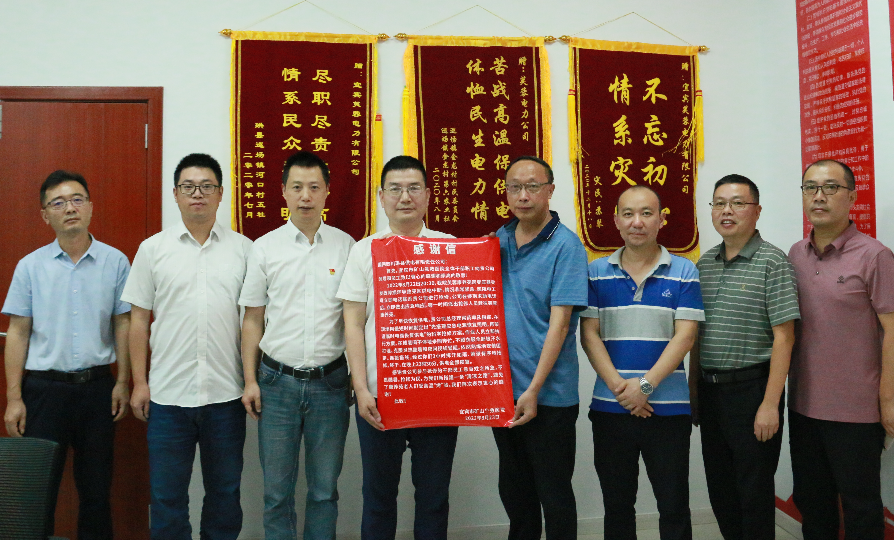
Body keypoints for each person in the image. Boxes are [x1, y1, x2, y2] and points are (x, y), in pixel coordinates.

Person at [123, 153, 252, 540]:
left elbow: (254, 320)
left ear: (221, 193)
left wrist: (250, 381)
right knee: (167, 499)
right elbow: (138, 321)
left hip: (226, 397)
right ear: (176, 194)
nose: (198, 194)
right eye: (189, 187)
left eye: (207, 186)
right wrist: (140, 383)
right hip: (167, 398)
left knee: (225, 496)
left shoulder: (244, 250)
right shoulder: (152, 249)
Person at [2, 170, 131, 540]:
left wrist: (123, 381)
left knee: (96, 492)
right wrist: (14, 398)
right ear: (45, 215)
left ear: (90, 206)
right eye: (58, 203)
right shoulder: (30, 266)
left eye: (77, 199)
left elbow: (123, 324)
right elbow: (18, 332)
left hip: (97, 390)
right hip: (44, 392)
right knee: (37, 491)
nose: (69, 208)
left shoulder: (116, 262)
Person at [336, 155, 458, 540]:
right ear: (381, 197)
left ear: (428, 196)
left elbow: (468, 321)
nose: (405, 197)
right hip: (380, 396)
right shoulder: (364, 250)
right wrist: (361, 388)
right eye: (395, 189)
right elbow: (353, 323)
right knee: (378, 496)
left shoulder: (451, 248)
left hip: (438, 394)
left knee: (434, 495)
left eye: (413, 188)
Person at [239, 151, 354, 540]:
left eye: (314, 187)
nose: (306, 196)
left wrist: (357, 377)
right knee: (276, 494)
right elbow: (252, 318)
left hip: (331, 384)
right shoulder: (264, 247)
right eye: (297, 187)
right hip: (276, 384)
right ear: (283, 192)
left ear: (327, 192)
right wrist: (250, 380)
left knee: (324, 492)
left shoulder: (345, 246)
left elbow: (355, 320)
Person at [580, 185, 703, 540]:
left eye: (647, 213)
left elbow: (685, 337)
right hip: (610, 408)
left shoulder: (684, 271)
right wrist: (623, 391)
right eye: (629, 214)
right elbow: (589, 335)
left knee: (674, 505)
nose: (637, 222)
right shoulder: (596, 272)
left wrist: (645, 386)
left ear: (661, 219)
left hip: (669, 411)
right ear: (616, 220)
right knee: (617, 506)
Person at [788, 159, 894, 540]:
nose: (819, 196)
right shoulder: (795, 254)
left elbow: (892, 330)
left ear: (851, 197)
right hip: (803, 406)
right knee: (813, 505)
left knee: (861, 508)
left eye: (831, 187)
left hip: (856, 411)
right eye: (810, 187)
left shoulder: (875, 255)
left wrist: (887, 399)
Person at [689, 174, 799, 540]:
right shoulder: (704, 264)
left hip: (753, 391)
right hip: (710, 391)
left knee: (753, 490)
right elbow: (696, 335)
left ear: (757, 210)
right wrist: (693, 390)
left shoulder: (773, 261)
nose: (727, 211)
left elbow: (785, 337)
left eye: (737, 203)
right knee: (720, 488)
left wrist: (770, 404)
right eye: (719, 203)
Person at [491, 156, 588, 540]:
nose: (523, 195)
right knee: (515, 492)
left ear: (550, 190)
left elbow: (560, 325)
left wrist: (533, 389)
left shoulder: (566, 246)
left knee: (554, 492)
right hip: (503, 392)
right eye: (514, 187)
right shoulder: (496, 241)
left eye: (532, 186)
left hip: (549, 396)